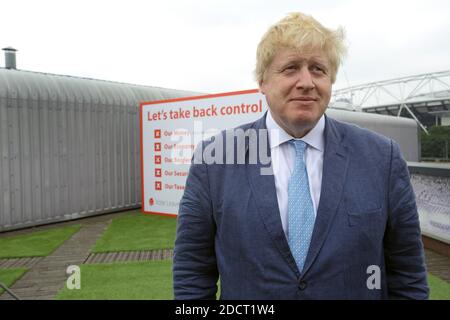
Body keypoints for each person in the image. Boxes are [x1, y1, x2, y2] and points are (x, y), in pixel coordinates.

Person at [173, 12, 429, 299]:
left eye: (318, 69)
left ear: (330, 80)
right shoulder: (215, 160)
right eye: (291, 68)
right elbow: (192, 272)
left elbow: (408, 274)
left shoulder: (382, 157)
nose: (306, 81)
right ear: (262, 81)